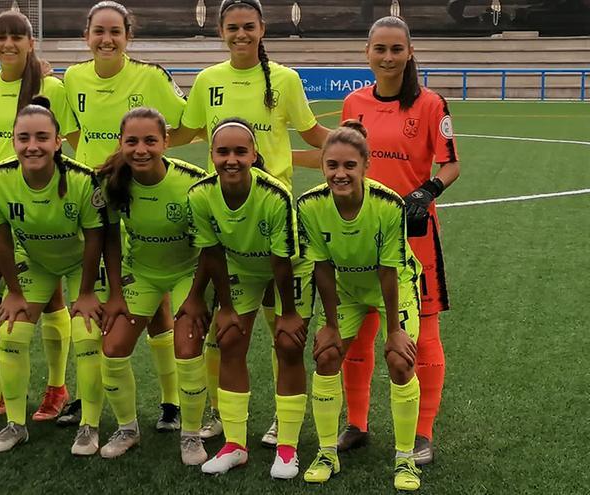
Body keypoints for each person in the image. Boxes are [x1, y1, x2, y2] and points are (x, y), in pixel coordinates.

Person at [170, 0, 329, 447]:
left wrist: (352, 145)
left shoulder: (284, 79)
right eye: (232, 27)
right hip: (224, 216)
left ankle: (283, 417)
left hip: (275, 213)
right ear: (220, 31)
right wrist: (137, 142)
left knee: (283, 325)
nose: (241, 34)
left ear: (262, 29)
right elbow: (188, 131)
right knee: (227, 326)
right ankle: (222, 413)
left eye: (248, 27)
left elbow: (312, 134)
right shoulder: (208, 79)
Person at [337, 16, 460, 466]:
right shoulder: (354, 101)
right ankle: (356, 423)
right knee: (359, 333)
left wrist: (428, 190)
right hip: (360, 234)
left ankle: (422, 433)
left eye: (395, 49)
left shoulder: (430, 104)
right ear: (367, 53)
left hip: (415, 239)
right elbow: (344, 160)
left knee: (421, 334)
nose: (387, 57)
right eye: (379, 49)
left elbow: (451, 165)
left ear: (409, 53)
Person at [60, 0, 188, 428]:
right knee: (98, 304)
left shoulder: (150, 77)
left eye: (115, 31)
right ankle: (87, 393)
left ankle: (171, 403)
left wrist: (137, 158)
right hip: (94, 205)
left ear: (128, 37)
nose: (106, 39)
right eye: (99, 31)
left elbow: (186, 124)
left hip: (140, 199)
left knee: (157, 305)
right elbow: (73, 129)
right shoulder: (73, 78)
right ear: (86, 37)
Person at [178, 118, 314, 477]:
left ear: (255, 155)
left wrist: (286, 313)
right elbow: (210, 253)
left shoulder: (274, 195)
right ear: (212, 155)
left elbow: (281, 260)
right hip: (241, 267)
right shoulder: (201, 194)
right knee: (230, 340)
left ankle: (287, 448)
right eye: (223, 152)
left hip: (288, 270)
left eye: (241, 151)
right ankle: (235, 445)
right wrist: (223, 307)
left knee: (287, 344)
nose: (232, 159)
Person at [296, 120, 423, 491]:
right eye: (332, 165)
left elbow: (389, 269)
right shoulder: (311, 204)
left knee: (400, 360)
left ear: (365, 167)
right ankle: (325, 453)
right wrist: (331, 325)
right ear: (323, 167)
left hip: (392, 286)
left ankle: (405, 459)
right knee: (326, 356)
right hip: (346, 288)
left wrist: (395, 332)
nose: (340, 173)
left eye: (349, 165)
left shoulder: (387, 204)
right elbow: (321, 266)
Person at [0, 98, 107, 455]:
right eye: (23, 138)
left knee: (87, 332)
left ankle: (89, 426)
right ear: (13, 141)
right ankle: (16, 425)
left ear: (57, 142)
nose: (31, 145)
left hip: (81, 261)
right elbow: (2, 241)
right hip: (35, 261)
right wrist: (15, 293)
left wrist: (85, 293)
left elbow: (96, 237)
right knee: (13, 330)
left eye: (41, 137)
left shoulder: (82, 180)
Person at [0, 9, 80, 422]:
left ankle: (55, 387)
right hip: (1, 203)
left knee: (51, 296)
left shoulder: (53, 87)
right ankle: (4, 387)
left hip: (46, 204)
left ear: (30, 43)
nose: (9, 44)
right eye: (1, 37)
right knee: (4, 294)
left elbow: (71, 141)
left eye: (17, 37)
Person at [95, 108, 209, 459]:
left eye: (150, 141)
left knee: (187, 348)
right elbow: (110, 238)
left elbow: (210, 245)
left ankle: (191, 434)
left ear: (166, 142)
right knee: (112, 347)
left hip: (188, 272)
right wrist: (115, 293)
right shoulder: (112, 181)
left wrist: (196, 296)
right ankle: (128, 428)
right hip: (141, 272)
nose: (140, 149)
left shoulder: (193, 181)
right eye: (132, 141)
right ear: (121, 143)